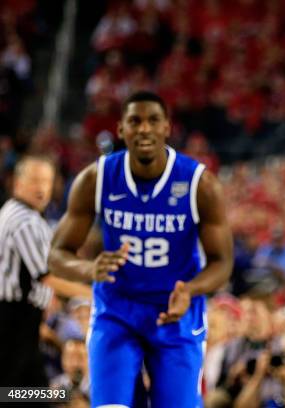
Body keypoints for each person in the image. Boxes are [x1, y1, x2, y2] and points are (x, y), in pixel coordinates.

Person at [48, 91, 234, 407]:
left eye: (153, 120)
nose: (144, 128)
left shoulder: (198, 183)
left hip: (175, 312)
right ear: (121, 130)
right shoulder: (97, 178)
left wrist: (191, 289)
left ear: (167, 128)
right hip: (117, 311)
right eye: (135, 121)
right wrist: (89, 269)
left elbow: (222, 263)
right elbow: (56, 255)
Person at [0, 155, 90, 387]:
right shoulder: (25, 220)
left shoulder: (16, 212)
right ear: (17, 183)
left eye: (47, 181)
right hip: (15, 319)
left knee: (29, 390)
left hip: (22, 321)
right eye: (35, 181)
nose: (41, 187)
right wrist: (92, 293)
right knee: (16, 390)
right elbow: (48, 276)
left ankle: (74, 397)